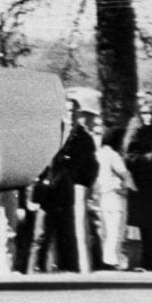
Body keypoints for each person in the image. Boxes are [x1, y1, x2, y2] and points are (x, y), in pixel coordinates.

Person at [35, 98, 98, 273]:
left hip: (68, 190)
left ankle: (68, 270)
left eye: (74, 111)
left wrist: (80, 182)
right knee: (42, 234)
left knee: (67, 232)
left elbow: (91, 166)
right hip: (48, 190)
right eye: (68, 110)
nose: (71, 113)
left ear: (79, 114)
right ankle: (37, 269)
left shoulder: (85, 138)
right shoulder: (53, 132)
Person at [124, 93, 152, 271]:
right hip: (143, 186)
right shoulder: (135, 131)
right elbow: (130, 160)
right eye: (145, 112)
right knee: (149, 226)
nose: (149, 117)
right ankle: (150, 263)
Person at [96, 126, 136, 270]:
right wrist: (133, 188)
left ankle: (106, 259)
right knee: (116, 231)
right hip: (115, 196)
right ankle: (111, 261)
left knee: (106, 230)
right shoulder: (113, 155)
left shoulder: (98, 153)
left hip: (101, 196)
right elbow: (125, 174)